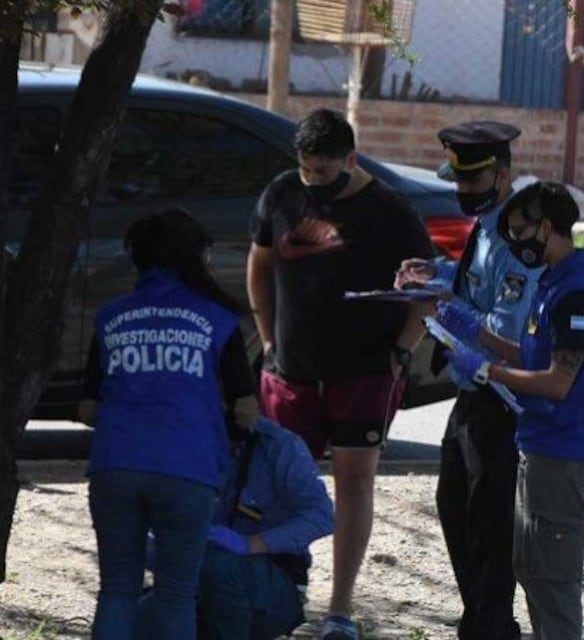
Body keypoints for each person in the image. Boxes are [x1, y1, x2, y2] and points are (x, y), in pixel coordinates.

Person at [245, 108, 435, 640]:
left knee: (355, 482)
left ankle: (340, 609)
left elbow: (425, 287)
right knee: (283, 485)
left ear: (350, 160)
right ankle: (284, 593)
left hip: (364, 374)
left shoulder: (391, 211)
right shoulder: (281, 195)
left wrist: (403, 349)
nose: (313, 181)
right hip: (291, 373)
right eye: (306, 169)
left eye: (324, 172)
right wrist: (266, 336)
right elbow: (259, 265)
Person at [438, 181, 584, 640]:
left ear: (548, 227)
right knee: (531, 568)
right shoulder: (553, 283)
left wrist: (488, 373)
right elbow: (533, 354)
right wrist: (474, 332)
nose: (515, 243)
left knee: (552, 583)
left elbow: (558, 381)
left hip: (565, 451)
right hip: (540, 446)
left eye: (521, 232)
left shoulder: (575, 294)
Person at [78, 208, 257, 640]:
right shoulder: (218, 319)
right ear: (196, 257)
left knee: (117, 590)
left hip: (115, 466)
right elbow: (247, 408)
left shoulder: (110, 317)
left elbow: (87, 410)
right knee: (176, 594)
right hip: (187, 468)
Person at [395, 121, 540, 639]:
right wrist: (432, 271)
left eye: (472, 183)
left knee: (488, 526)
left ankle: (490, 626)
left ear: (500, 175)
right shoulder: (486, 228)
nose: (462, 193)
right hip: (470, 394)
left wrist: (443, 305)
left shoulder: (517, 239)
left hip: (498, 399)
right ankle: (484, 622)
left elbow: (500, 327)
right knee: (456, 507)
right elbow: (473, 284)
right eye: (457, 183)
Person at [138, 416, 336, 640]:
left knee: (219, 564)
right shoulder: (180, 441)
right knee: (130, 623)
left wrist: (251, 544)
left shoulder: (278, 445)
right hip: (192, 585)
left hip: (268, 589)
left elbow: (322, 516)